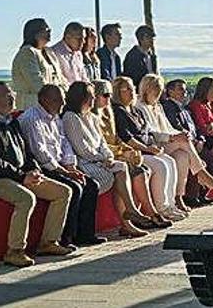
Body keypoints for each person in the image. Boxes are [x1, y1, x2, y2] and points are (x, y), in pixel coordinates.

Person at [62, 81, 155, 237]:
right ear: (82, 98)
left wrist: (108, 156)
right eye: (91, 97)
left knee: (121, 167)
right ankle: (129, 215)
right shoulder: (71, 118)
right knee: (118, 173)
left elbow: (102, 143)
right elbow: (81, 149)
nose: (94, 100)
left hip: (99, 160)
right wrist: (103, 158)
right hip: (84, 163)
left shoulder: (91, 117)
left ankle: (130, 212)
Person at [18, 85, 106, 247]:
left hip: (60, 165)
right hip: (43, 167)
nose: (62, 103)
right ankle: (65, 238)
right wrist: (65, 172)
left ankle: (85, 234)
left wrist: (71, 166)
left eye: (63, 99)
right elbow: (41, 154)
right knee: (73, 187)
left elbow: (65, 143)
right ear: (44, 100)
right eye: (58, 100)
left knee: (91, 184)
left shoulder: (55, 117)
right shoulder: (32, 119)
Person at [0, 82, 74, 267]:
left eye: (12, 93)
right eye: (6, 95)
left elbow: (28, 153)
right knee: (26, 198)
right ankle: (15, 251)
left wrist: (33, 169)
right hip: (2, 177)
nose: (12, 97)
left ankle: (48, 242)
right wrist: (21, 176)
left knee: (63, 192)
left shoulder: (11, 122)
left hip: (20, 174)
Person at [136, 74, 213, 211]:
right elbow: (150, 132)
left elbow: (167, 127)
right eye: (155, 88)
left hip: (167, 141)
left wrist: (178, 135)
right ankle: (202, 175)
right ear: (146, 89)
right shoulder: (140, 107)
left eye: (159, 89)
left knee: (182, 156)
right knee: (184, 143)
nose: (158, 92)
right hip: (154, 143)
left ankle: (177, 199)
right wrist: (172, 137)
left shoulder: (157, 106)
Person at [91, 79, 170, 229]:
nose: (108, 99)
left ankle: (143, 216)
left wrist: (128, 150)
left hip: (115, 153)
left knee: (143, 171)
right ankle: (135, 220)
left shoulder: (108, 112)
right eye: (105, 95)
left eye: (109, 95)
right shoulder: (94, 116)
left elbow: (117, 139)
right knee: (129, 171)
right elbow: (98, 145)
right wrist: (123, 152)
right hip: (102, 157)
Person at [111, 76, 186, 221]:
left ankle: (170, 204)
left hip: (148, 148)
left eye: (132, 87)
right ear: (117, 92)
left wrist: (153, 146)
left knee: (170, 161)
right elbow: (127, 138)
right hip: (136, 152)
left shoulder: (134, 110)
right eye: (127, 89)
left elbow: (147, 132)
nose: (132, 91)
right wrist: (147, 148)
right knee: (160, 165)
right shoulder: (119, 111)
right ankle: (161, 208)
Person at [162, 79, 213, 207]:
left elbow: (196, 127)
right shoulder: (169, 106)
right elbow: (174, 126)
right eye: (180, 89)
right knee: (193, 159)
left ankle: (201, 194)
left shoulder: (185, 108)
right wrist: (192, 140)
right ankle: (191, 196)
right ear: (170, 91)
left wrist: (201, 140)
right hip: (182, 142)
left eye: (185, 89)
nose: (184, 92)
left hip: (194, 142)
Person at [11, 18, 68, 110]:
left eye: (50, 30)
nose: (50, 32)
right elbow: (37, 83)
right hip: (32, 108)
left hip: (53, 106)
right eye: (46, 30)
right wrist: (56, 93)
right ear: (35, 33)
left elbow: (60, 77)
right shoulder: (27, 53)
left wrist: (66, 91)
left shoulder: (49, 52)